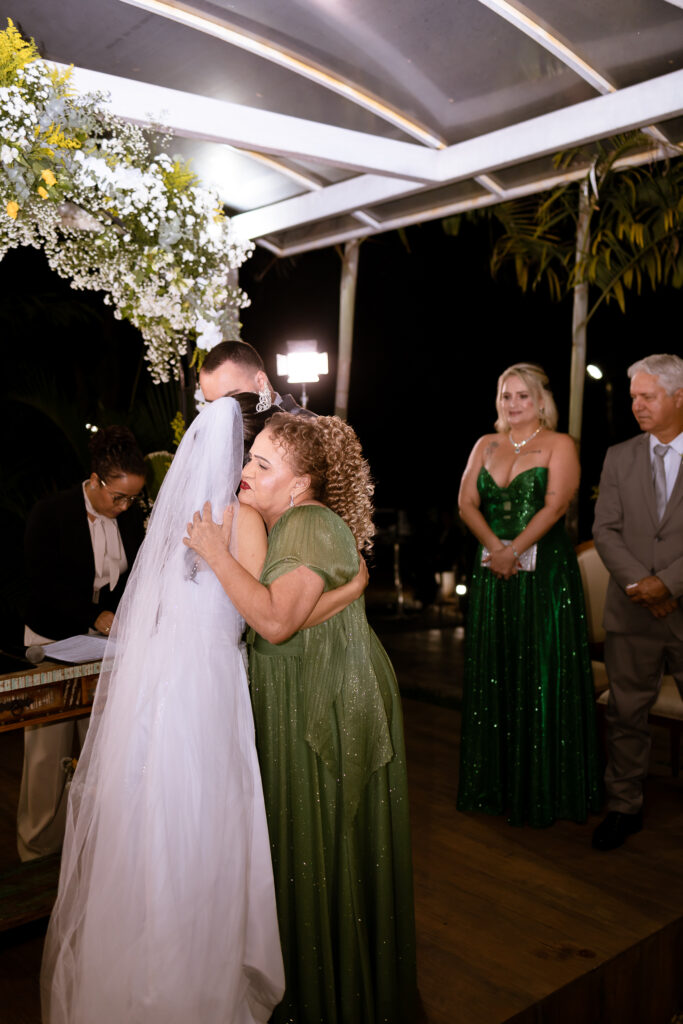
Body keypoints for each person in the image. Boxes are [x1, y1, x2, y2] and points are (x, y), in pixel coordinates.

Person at [41, 398, 286, 1024]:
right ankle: (192, 976)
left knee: (155, 818)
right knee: (204, 820)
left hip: (163, 680)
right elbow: (256, 610)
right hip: (210, 680)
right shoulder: (242, 519)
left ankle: (142, 971)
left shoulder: (176, 515)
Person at [184, 411, 417, 1024]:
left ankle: (329, 997)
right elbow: (283, 622)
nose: (246, 471)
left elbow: (273, 621)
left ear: (300, 484)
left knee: (321, 848)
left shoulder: (309, 522)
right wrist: (349, 592)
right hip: (300, 684)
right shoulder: (283, 523)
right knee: (303, 847)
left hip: (326, 697)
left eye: (263, 464)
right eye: (249, 458)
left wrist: (214, 553)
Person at [457, 362, 601, 827]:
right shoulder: (486, 443)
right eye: (506, 395)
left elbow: (556, 506)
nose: (513, 403)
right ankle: (496, 785)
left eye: (522, 395)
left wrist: (513, 550)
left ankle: (545, 787)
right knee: (496, 668)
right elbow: (466, 503)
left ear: (541, 402)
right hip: (493, 572)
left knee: (542, 669)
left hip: (544, 576)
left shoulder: (560, 444)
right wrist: (496, 550)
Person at [18, 426, 147, 861]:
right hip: (51, 640)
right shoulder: (50, 512)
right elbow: (41, 583)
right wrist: (93, 616)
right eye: (119, 497)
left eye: (132, 499)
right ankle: (36, 850)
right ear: (95, 480)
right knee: (47, 753)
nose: (125, 507)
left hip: (102, 646)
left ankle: (87, 848)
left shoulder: (128, 517)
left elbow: (132, 577)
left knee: (98, 747)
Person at [592, 353, 683, 851]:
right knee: (625, 716)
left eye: (648, 396)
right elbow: (605, 530)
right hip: (631, 611)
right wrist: (643, 586)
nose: (637, 405)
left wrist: (668, 584)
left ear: (679, 397)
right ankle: (623, 807)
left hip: (680, 606)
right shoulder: (619, 455)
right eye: (634, 397)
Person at [199, 339, 310, 413]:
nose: (221, 412)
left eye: (231, 399)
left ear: (261, 382)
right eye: (212, 404)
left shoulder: (310, 429)